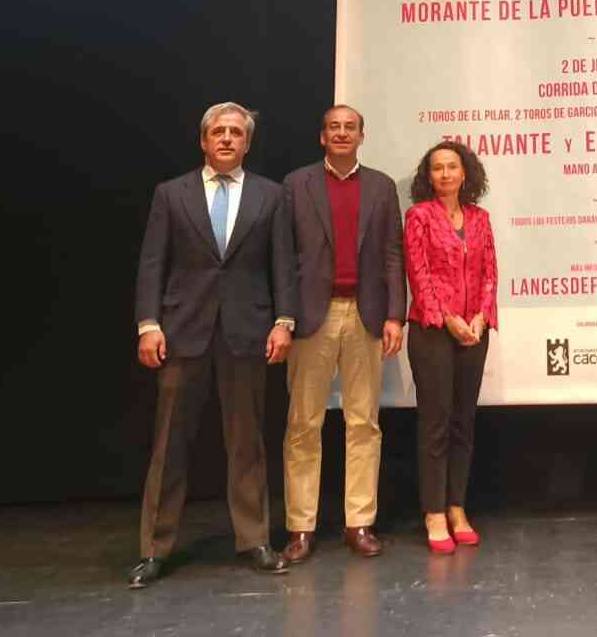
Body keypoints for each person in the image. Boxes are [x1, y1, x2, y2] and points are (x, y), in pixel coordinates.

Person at [128, 102, 294, 588]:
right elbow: (152, 263)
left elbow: (282, 264)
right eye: (218, 131)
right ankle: (154, 548)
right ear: (203, 140)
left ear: (247, 143)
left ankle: (254, 539)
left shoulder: (271, 195)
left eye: (235, 133)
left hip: (247, 332)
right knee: (169, 444)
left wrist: (284, 322)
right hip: (182, 332)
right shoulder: (171, 193)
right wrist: (147, 325)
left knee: (247, 442)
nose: (226, 139)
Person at [280, 105, 405, 561]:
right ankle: (300, 528)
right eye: (334, 127)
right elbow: (283, 256)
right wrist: (284, 317)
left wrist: (395, 315)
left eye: (350, 127)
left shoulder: (382, 186)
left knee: (364, 424)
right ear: (322, 136)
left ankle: (359, 522)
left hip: (366, 316)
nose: (341, 133)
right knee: (303, 424)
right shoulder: (296, 184)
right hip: (311, 316)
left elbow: (393, 254)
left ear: (361, 136)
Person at [403, 140, 498, 553]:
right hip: (432, 331)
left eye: (452, 167)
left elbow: (490, 272)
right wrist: (448, 318)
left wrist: (480, 316)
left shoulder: (480, 218)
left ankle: (457, 507)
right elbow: (418, 273)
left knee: (464, 422)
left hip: (474, 331)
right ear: (429, 176)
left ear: (465, 173)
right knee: (436, 424)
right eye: (437, 168)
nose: (445, 174)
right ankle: (434, 513)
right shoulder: (419, 216)